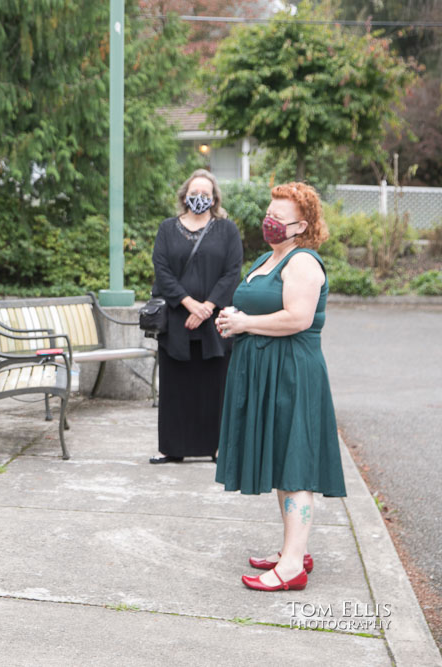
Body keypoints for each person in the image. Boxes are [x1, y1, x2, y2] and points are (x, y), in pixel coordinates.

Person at [215, 182, 346, 593]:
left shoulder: (304, 262)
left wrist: (244, 323)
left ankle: (292, 568)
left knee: (296, 467)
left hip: (291, 372)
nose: (268, 221)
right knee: (281, 464)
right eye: (268, 212)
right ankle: (294, 549)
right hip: (264, 371)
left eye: (278, 216)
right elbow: (260, 303)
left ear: (301, 225)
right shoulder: (269, 258)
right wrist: (233, 315)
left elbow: (298, 318)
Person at [149, 169, 243, 464]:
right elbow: (161, 270)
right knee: (176, 387)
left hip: (213, 322)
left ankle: (216, 448)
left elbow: (232, 272)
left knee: (213, 386)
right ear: (184, 195)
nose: (199, 198)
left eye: (205, 194)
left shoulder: (227, 229)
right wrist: (190, 304)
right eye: (194, 193)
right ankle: (172, 448)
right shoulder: (167, 228)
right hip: (177, 320)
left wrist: (207, 307)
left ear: (214, 198)